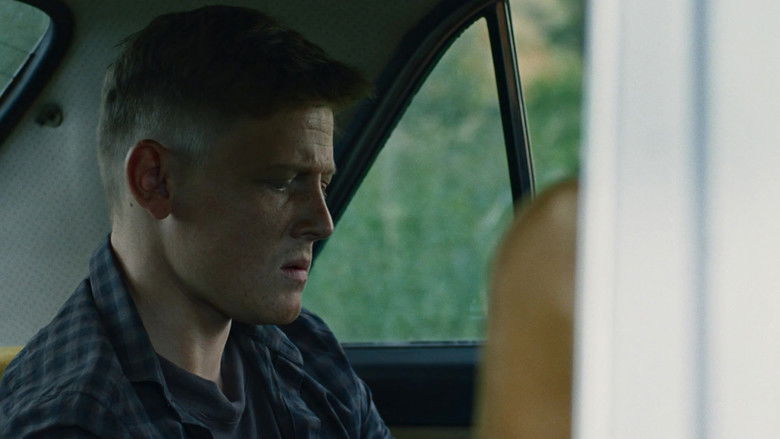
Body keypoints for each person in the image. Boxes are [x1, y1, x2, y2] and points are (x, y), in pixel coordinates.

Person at [0, 5, 392, 438]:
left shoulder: (306, 348)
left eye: (323, 184)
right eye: (281, 182)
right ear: (156, 181)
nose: (322, 222)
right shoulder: (76, 422)